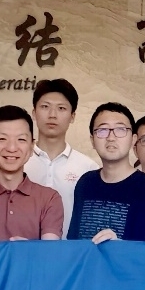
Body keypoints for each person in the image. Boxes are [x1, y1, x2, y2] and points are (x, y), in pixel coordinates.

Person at [67, 103, 145, 243]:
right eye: (102, 130)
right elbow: (73, 240)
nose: (111, 137)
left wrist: (118, 247)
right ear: (92, 141)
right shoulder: (86, 182)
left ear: (133, 139)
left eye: (120, 129)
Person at [0, 106, 64, 241]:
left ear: (31, 147)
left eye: (21, 139)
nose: (11, 148)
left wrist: (27, 250)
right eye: (2, 139)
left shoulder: (49, 198)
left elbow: (50, 250)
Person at [25, 78, 98, 234]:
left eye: (61, 108)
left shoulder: (88, 168)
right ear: (34, 113)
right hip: (24, 247)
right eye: (45, 107)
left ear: (72, 116)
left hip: (71, 248)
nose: (52, 115)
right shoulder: (20, 163)